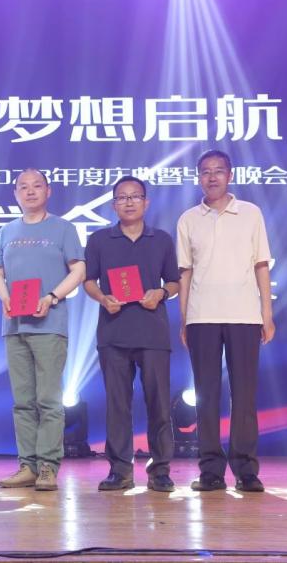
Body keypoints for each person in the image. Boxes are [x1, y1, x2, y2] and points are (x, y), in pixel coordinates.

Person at [177, 149, 275, 493]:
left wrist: (266, 315)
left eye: (219, 170)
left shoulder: (250, 213)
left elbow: (261, 264)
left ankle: (246, 470)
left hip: (244, 315)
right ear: (198, 178)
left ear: (230, 176)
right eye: (205, 171)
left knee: (244, 396)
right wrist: (184, 319)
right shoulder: (188, 219)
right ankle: (210, 471)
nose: (212, 177)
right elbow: (185, 272)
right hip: (202, 316)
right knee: (206, 397)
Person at [0, 169, 85, 491]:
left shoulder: (63, 228)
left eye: (37, 186)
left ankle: (47, 466)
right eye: (23, 187)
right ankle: (27, 465)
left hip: (49, 323)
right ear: (15, 193)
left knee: (48, 399)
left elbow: (79, 270)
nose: (30, 191)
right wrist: (4, 297)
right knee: (22, 400)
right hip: (14, 324)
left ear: (48, 191)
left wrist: (52, 297)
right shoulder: (6, 231)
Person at [84, 176, 179, 493]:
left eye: (135, 196)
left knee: (159, 405)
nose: (128, 202)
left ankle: (160, 470)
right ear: (114, 205)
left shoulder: (161, 239)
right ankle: (120, 470)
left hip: (153, 334)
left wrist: (161, 293)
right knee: (117, 406)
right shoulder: (99, 240)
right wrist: (103, 298)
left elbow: (175, 281)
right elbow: (88, 281)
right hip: (114, 334)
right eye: (122, 197)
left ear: (146, 202)